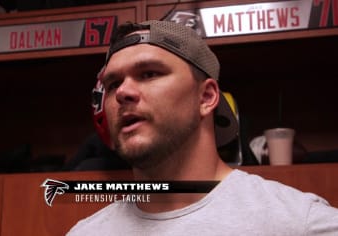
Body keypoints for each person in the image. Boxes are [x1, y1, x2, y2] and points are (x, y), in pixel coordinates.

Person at [67, 20, 338, 235]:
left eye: (149, 73)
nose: (122, 92)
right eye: (113, 83)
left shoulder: (298, 224)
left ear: (206, 97)